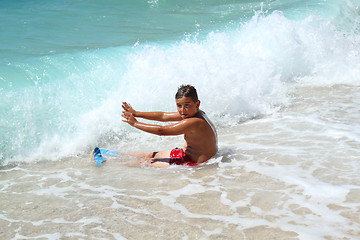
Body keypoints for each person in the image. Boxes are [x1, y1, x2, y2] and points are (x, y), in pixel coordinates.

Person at [92, 84, 217, 168]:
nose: (182, 110)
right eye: (179, 105)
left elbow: (161, 130)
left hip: (193, 163)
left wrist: (135, 123)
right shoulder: (194, 114)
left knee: (147, 162)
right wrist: (136, 113)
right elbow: (163, 116)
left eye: (187, 105)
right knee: (150, 154)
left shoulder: (193, 122)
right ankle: (119, 155)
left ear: (197, 104)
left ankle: (106, 164)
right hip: (187, 154)